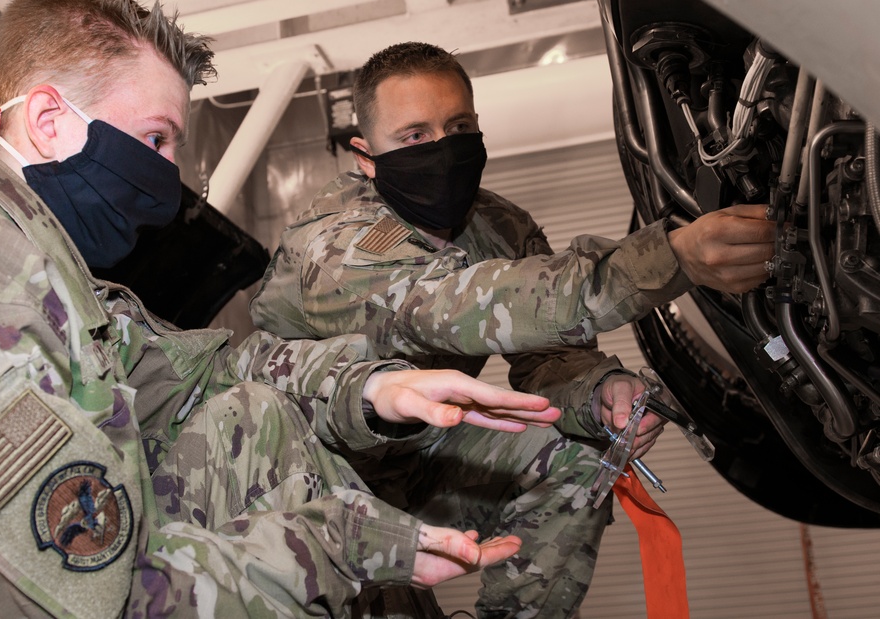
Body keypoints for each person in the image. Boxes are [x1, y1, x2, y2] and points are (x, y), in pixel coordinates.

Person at [0, 0, 569, 618]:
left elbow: (201, 372)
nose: (167, 172)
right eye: (155, 138)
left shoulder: (31, 259)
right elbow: (91, 604)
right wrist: (336, 545)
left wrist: (376, 390)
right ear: (50, 120)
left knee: (253, 416)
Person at [249, 41, 777, 618]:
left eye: (458, 126)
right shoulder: (332, 248)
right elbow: (467, 305)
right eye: (415, 137)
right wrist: (670, 258)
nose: (443, 149)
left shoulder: (498, 224)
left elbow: (550, 356)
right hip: (304, 478)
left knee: (573, 463)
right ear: (366, 156)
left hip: (416, 458)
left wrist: (601, 394)